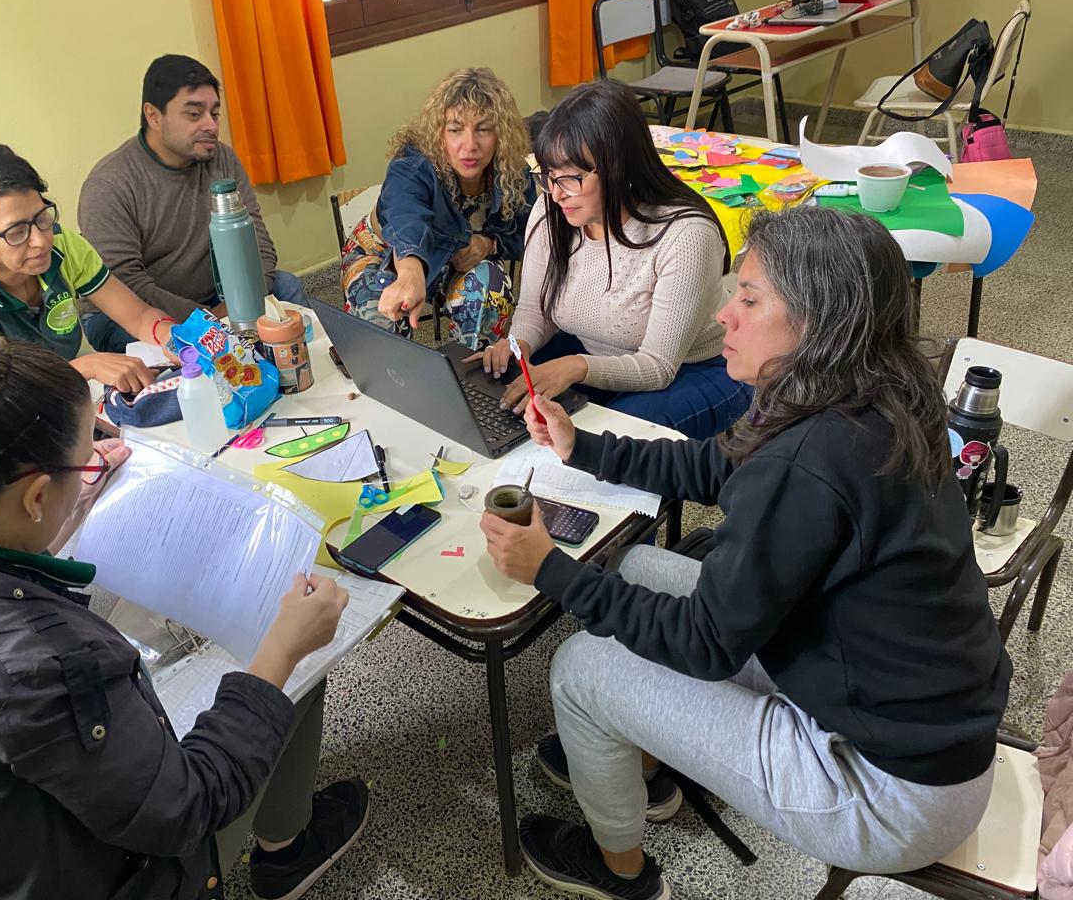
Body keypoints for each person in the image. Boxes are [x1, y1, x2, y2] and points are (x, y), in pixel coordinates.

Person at [479, 207, 1012, 900]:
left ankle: (621, 873)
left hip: (886, 789)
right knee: (636, 567)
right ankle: (646, 765)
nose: (724, 314)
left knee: (581, 669)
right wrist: (582, 446)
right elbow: (714, 466)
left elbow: (706, 644)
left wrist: (550, 569)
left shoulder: (811, 459)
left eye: (750, 300)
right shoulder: (865, 389)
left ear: (819, 323)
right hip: (909, 716)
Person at [0, 307, 369, 900]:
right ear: (34, 495)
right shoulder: (38, 667)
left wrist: (56, 517)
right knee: (292, 677)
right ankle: (287, 856)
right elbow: (186, 808)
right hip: (84, 878)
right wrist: (281, 652)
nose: (96, 461)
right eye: (87, 452)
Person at [470, 80, 751, 439]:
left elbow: (658, 366)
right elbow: (534, 309)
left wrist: (575, 367)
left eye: (571, 178)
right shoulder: (553, 210)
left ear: (620, 167)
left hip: (697, 367)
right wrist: (519, 345)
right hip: (595, 350)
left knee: (605, 445)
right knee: (508, 403)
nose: (555, 193)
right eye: (547, 176)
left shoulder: (686, 235)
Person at [78, 54, 309, 353]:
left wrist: (235, 305)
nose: (210, 125)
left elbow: (258, 246)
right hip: (135, 314)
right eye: (194, 114)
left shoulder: (222, 159)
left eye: (215, 113)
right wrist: (208, 320)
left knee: (286, 286)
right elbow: (126, 284)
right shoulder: (110, 185)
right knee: (189, 356)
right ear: (153, 116)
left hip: (219, 298)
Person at [0, 143, 171, 395]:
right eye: (17, 232)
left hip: (66, 392)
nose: (41, 241)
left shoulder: (61, 245)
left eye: (42, 217)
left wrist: (174, 337)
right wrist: (84, 367)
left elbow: (138, 316)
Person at [340, 67, 536, 351]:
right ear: (439, 133)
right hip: (384, 254)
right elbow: (405, 216)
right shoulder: (412, 164)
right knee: (378, 312)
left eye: (483, 129)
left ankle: (472, 370)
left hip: (457, 261)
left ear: (501, 135)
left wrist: (489, 243)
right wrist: (410, 272)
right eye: (455, 130)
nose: (470, 145)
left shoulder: (514, 173)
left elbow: (532, 234)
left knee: (488, 288)